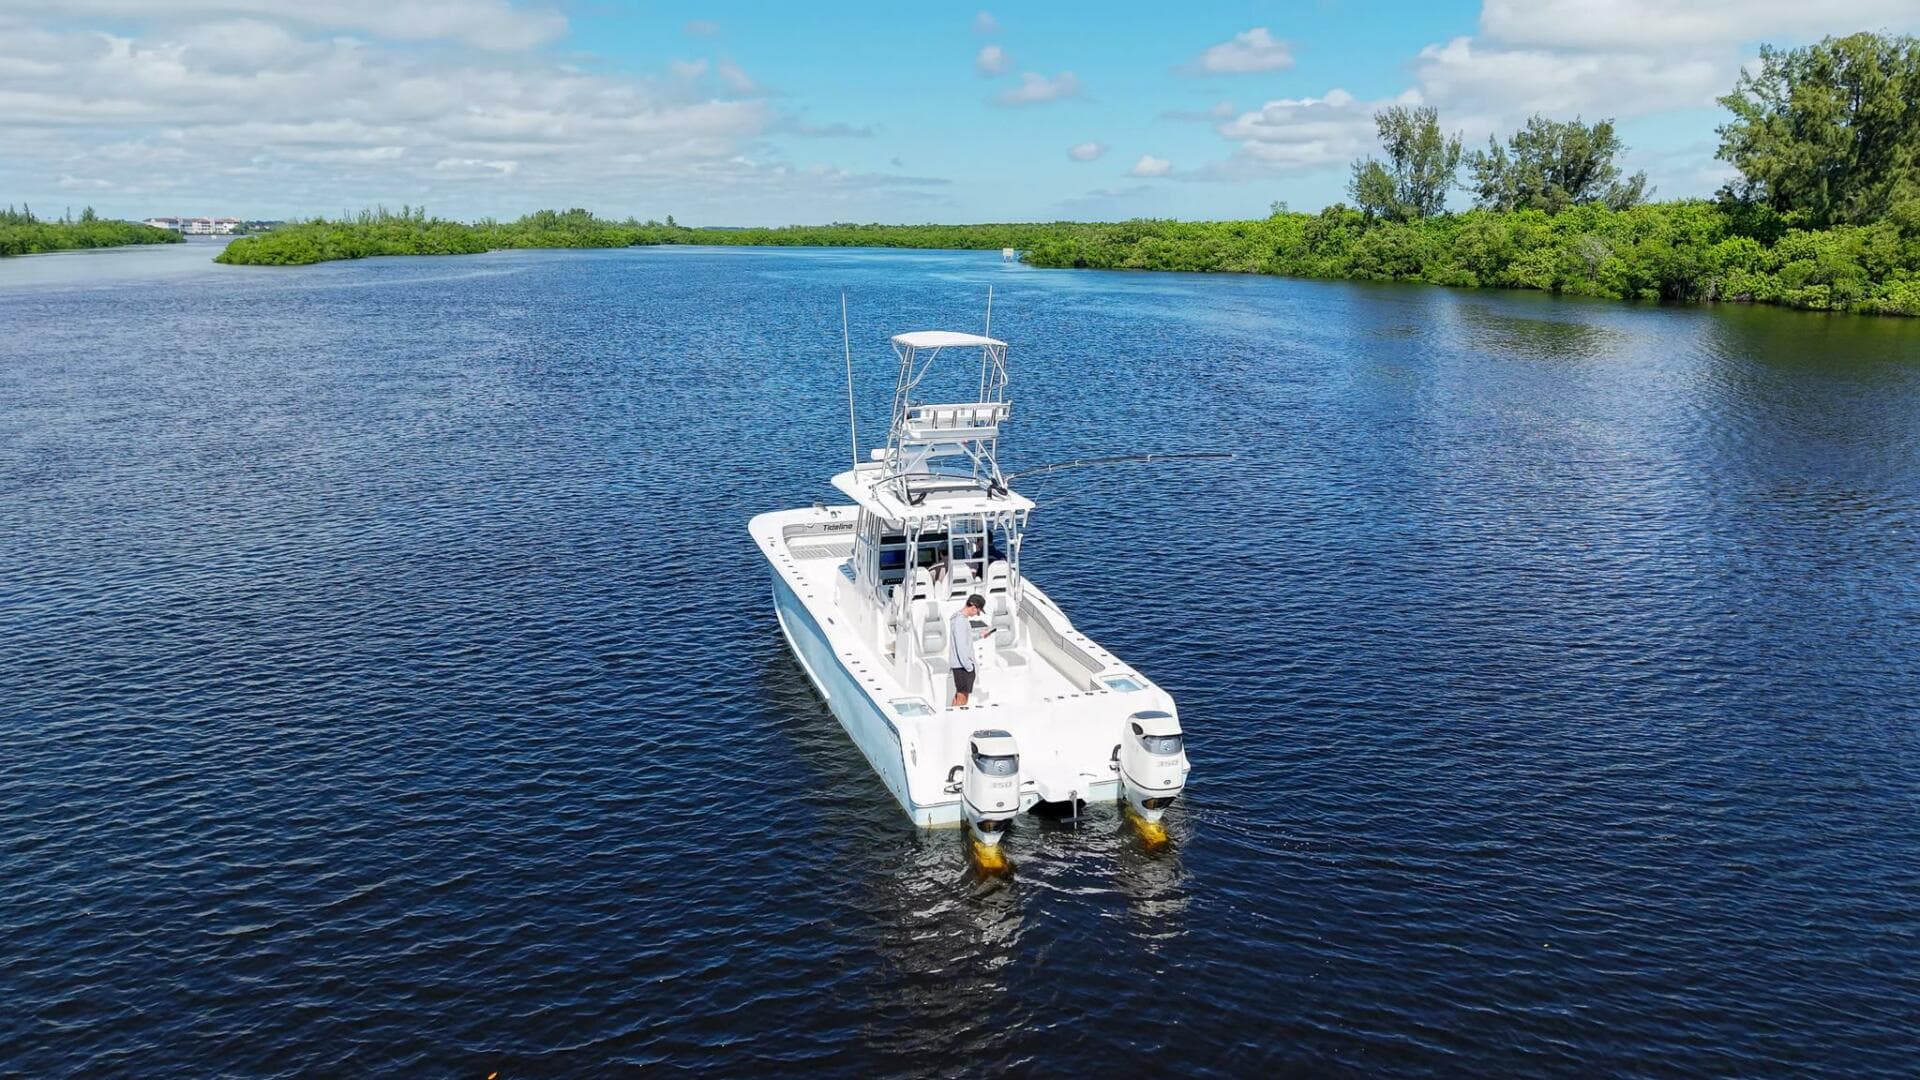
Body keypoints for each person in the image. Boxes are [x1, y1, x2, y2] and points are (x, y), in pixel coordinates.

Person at [949, 593, 992, 707]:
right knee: (963, 696)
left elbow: (965, 638)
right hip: (962, 665)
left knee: (959, 694)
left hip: (961, 664)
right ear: (973, 606)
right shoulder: (960, 621)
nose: (977, 614)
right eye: (978, 611)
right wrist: (968, 666)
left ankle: (953, 717)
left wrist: (980, 635)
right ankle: (958, 720)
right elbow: (961, 646)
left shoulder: (960, 619)